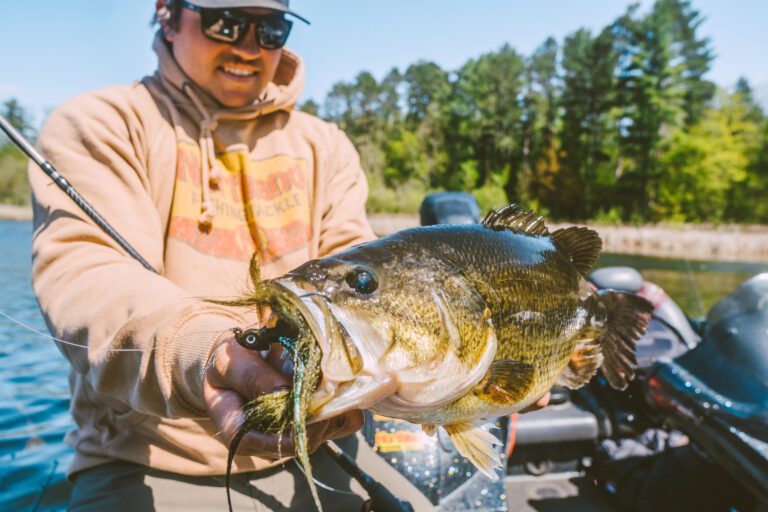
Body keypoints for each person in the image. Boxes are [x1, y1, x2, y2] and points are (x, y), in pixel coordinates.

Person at [29, 1, 549, 510]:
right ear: (167, 12)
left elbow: (366, 285)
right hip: (151, 461)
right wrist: (204, 356)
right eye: (226, 21)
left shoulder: (325, 146)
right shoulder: (103, 124)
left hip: (325, 447)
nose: (249, 47)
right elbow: (89, 279)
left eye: (271, 29)